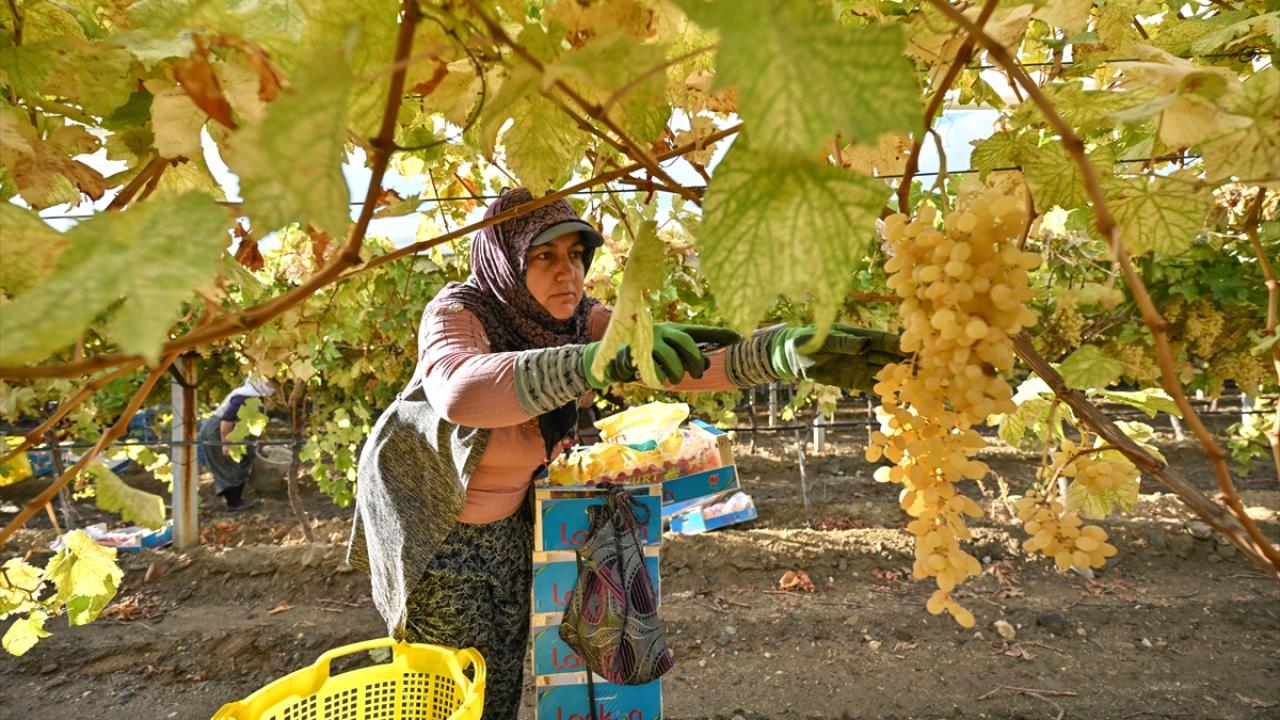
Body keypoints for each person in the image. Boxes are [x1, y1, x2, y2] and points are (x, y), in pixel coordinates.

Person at [347, 188, 903, 718]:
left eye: (575, 254)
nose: (567, 272)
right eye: (544, 256)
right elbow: (460, 390)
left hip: (507, 511)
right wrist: (588, 362)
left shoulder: (579, 317)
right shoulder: (459, 310)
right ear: (506, 260)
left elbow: (671, 359)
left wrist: (774, 353)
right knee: (450, 676)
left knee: (504, 658)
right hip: (431, 519)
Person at [199, 377, 276, 511]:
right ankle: (233, 503)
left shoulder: (256, 396)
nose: (274, 386)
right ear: (260, 383)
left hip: (233, 430)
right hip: (218, 431)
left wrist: (261, 442)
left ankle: (233, 500)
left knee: (242, 460)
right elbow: (226, 422)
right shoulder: (243, 397)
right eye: (271, 383)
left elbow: (255, 422)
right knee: (230, 465)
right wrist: (226, 444)